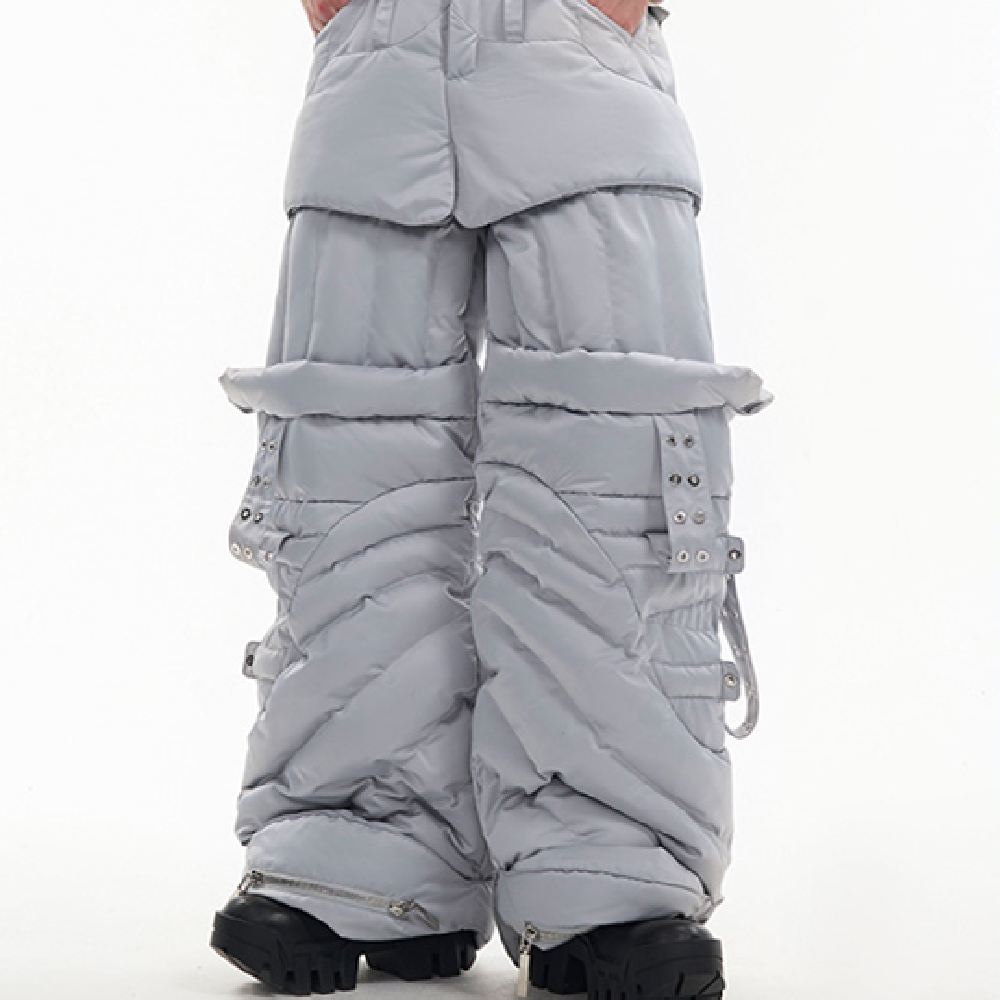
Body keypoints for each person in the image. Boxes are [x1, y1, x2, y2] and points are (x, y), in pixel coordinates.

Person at [208, 1, 774, 997]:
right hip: (373, 57)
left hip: (581, 48)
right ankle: (363, 846)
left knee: (608, 461)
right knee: (344, 463)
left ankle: (609, 863)